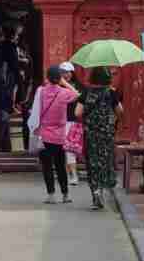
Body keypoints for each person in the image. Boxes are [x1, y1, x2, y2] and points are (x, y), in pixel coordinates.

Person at [76, 66, 122, 211]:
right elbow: (120, 111)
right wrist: (113, 119)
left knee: (92, 161)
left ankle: (95, 192)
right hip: (107, 134)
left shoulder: (86, 93)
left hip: (91, 133)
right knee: (105, 160)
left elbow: (77, 112)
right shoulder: (111, 93)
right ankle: (102, 188)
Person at [36, 65, 80, 204]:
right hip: (59, 135)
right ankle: (65, 194)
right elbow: (77, 94)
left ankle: (51, 195)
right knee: (60, 165)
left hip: (44, 135)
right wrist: (65, 83)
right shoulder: (64, 93)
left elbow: (35, 110)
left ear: (47, 77)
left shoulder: (41, 91)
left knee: (47, 166)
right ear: (59, 78)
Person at [0, 23, 22, 152]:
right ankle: (0, 143)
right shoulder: (11, 47)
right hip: (7, 81)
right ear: (13, 35)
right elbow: (14, 65)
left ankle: (4, 144)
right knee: (4, 111)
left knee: (0, 111)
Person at [59, 62, 81, 185]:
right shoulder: (57, 87)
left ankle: (73, 175)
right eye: (63, 72)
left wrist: (65, 84)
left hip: (72, 121)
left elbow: (79, 96)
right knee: (63, 150)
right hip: (59, 121)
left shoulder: (77, 86)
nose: (65, 75)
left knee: (70, 150)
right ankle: (67, 174)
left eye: (68, 72)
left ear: (72, 73)